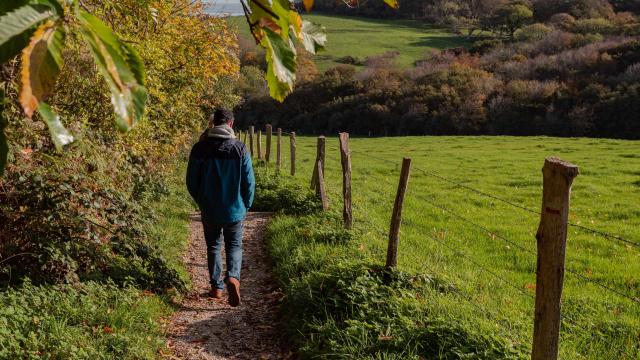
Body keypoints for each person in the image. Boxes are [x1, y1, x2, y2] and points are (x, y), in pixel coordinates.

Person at [186, 109, 255, 307]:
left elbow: (191, 180)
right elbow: (249, 182)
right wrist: (246, 204)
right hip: (235, 209)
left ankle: (216, 287)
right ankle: (233, 277)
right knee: (234, 245)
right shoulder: (240, 148)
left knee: (214, 246)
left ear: (213, 123)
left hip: (209, 208)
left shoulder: (199, 148)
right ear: (231, 124)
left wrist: (200, 200)